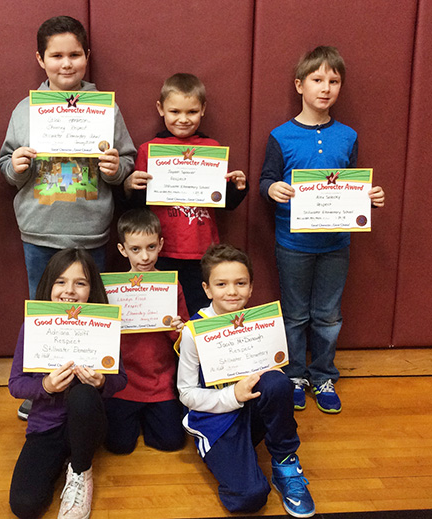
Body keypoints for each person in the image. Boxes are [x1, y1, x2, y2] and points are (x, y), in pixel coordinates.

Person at [0, 15, 135, 421]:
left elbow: (126, 162)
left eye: (75, 54)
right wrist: (17, 166)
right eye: (56, 55)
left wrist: (115, 170)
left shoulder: (106, 109)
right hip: (39, 230)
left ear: (87, 57)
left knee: (89, 310)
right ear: (41, 59)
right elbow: (6, 166)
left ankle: (87, 387)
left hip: (90, 229)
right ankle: (42, 389)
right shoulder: (25, 110)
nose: (66, 63)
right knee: (45, 314)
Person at [259, 46, 386, 413]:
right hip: (292, 242)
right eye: (317, 79)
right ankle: (296, 374)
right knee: (296, 314)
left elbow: (350, 186)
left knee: (328, 315)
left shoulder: (347, 136)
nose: (325, 87)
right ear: (300, 85)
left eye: (334, 81)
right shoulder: (281, 136)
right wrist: (272, 188)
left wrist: (369, 197)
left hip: (335, 244)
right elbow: (267, 178)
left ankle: (323, 374)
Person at [178, 244, 315, 518]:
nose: (232, 291)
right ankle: (234, 458)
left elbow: (274, 390)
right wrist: (233, 396)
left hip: (252, 410)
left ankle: (285, 462)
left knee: (278, 382)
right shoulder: (195, 331)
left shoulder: (262, 325)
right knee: (250, 498)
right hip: (215, 417)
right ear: (207, 289)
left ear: (251, 288)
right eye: (222, 284)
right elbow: (186, 394)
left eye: (240, 283)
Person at [8, 248, 127, 519]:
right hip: (45, 426)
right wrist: (46, 387)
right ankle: (63, 459)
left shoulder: (103, 325)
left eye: (80, 283)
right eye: (61, 281)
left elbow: (121, 378)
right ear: (49, 284)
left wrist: (101, 383)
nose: (69, 290)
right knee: (25, 505)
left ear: (91, 288)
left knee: (83, 394)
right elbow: (15, 384)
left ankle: (80, 470)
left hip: (88, 424)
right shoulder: (33, 326)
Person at [123, 73, 248, 316]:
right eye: (175, 112)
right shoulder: (149, 150)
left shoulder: (212, 149)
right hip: (159, 250)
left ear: (203, 110)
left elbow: (225, 202)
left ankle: (196, 355)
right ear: (161, 109)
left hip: (202, 251)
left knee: (199, 311)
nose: (183, 119)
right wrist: (130, 185)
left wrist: (238, 187)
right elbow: (137, 208)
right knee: (163, 313)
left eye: (191, 112)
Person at [104, 209, 189, 454]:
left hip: (159, 381)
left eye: (151, 247)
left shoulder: (171, 285)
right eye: (135, 249)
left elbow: (183, 341)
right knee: (118, 445)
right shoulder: (113, 289)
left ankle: (148, 417)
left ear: (161, 245)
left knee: (171, 442)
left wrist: (177, 329)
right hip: (123, 382)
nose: (144, 257)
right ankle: (133, 418)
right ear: (122, 250)